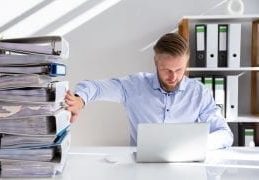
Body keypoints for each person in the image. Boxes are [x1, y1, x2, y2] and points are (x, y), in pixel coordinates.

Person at [64, 33, 233, 150]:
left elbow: (225, 134)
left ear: (186, 63)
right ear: (155, 62)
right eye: (166, 69)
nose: (173, 77)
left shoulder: (199, 93)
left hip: (186, 168)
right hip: (141, 169)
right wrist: (80, 99)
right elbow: (96, 87)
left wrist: (198, 144)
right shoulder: (134, 85)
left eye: (179, 69)